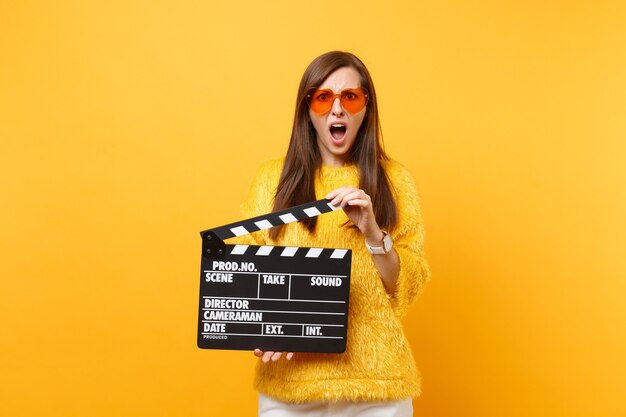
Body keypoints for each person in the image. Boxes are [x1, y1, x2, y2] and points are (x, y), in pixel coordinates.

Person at [238, 51, 431, 417]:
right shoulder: (271, 179)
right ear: (307, 108)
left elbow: (407, 284)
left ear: (365, 107)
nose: (337, 109)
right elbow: (247, 274)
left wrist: (372, 230)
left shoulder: (395, 180)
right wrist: (261, 327)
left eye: (350, 97)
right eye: (324, 97)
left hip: (378, 387)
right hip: (289, 387)